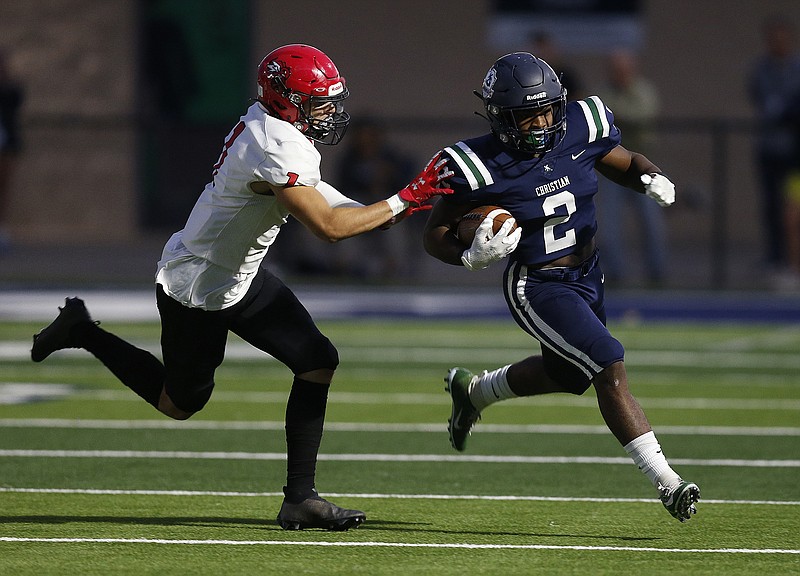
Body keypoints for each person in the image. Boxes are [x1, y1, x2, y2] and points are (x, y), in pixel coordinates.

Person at [29, 44, 452, 531]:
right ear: (285, 100)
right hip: (199, 283)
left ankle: (300, 499)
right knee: (179, 403)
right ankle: (83, 330)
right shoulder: (276, 143)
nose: (329, 112)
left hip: (238, 276)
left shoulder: (275, 130)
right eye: (318, 102)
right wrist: (408, 196)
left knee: (317, 360)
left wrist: (422, 201)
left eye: (331, 100)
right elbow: (330, 229)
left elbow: (353, 217)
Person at [422, 52, 699, 522]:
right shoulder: (475, 163)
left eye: (547, 110)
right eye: (527, 115)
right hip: (538, 283)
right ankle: (666, 481)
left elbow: (621, 159)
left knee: (570, 374)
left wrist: (648, 176)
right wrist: (466, 255)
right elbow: (434, 235)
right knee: (608, 363)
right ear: (501, 118)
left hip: (590, 273)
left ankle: (474, 392)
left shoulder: (580, 123)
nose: (541, 122)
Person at [596, 49, 666, 286]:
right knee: (610, 225)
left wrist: (618, 115)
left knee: (651, 223)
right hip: (613, 168)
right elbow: (601, 121)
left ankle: (657, 275)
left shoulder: (643, 90)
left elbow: (643, 114)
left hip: (643, 167)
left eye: (624, 68)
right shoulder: (604, 92)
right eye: (616, 69)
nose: (620, 74)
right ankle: (615, 274)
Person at [747, 18, 800, 275]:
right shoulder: (761, 68)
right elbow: (762, 100)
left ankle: (792, 261)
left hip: (794, 153)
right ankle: (774, 257)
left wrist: (786, 111)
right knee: (771, 207)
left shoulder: (797, 68)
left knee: (791, 210)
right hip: (769, 149)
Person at [0, 49, 24, 252]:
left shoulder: (10, 89)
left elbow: (16, 99)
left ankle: (2, 230)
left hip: (6, 145)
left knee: (4, 188)